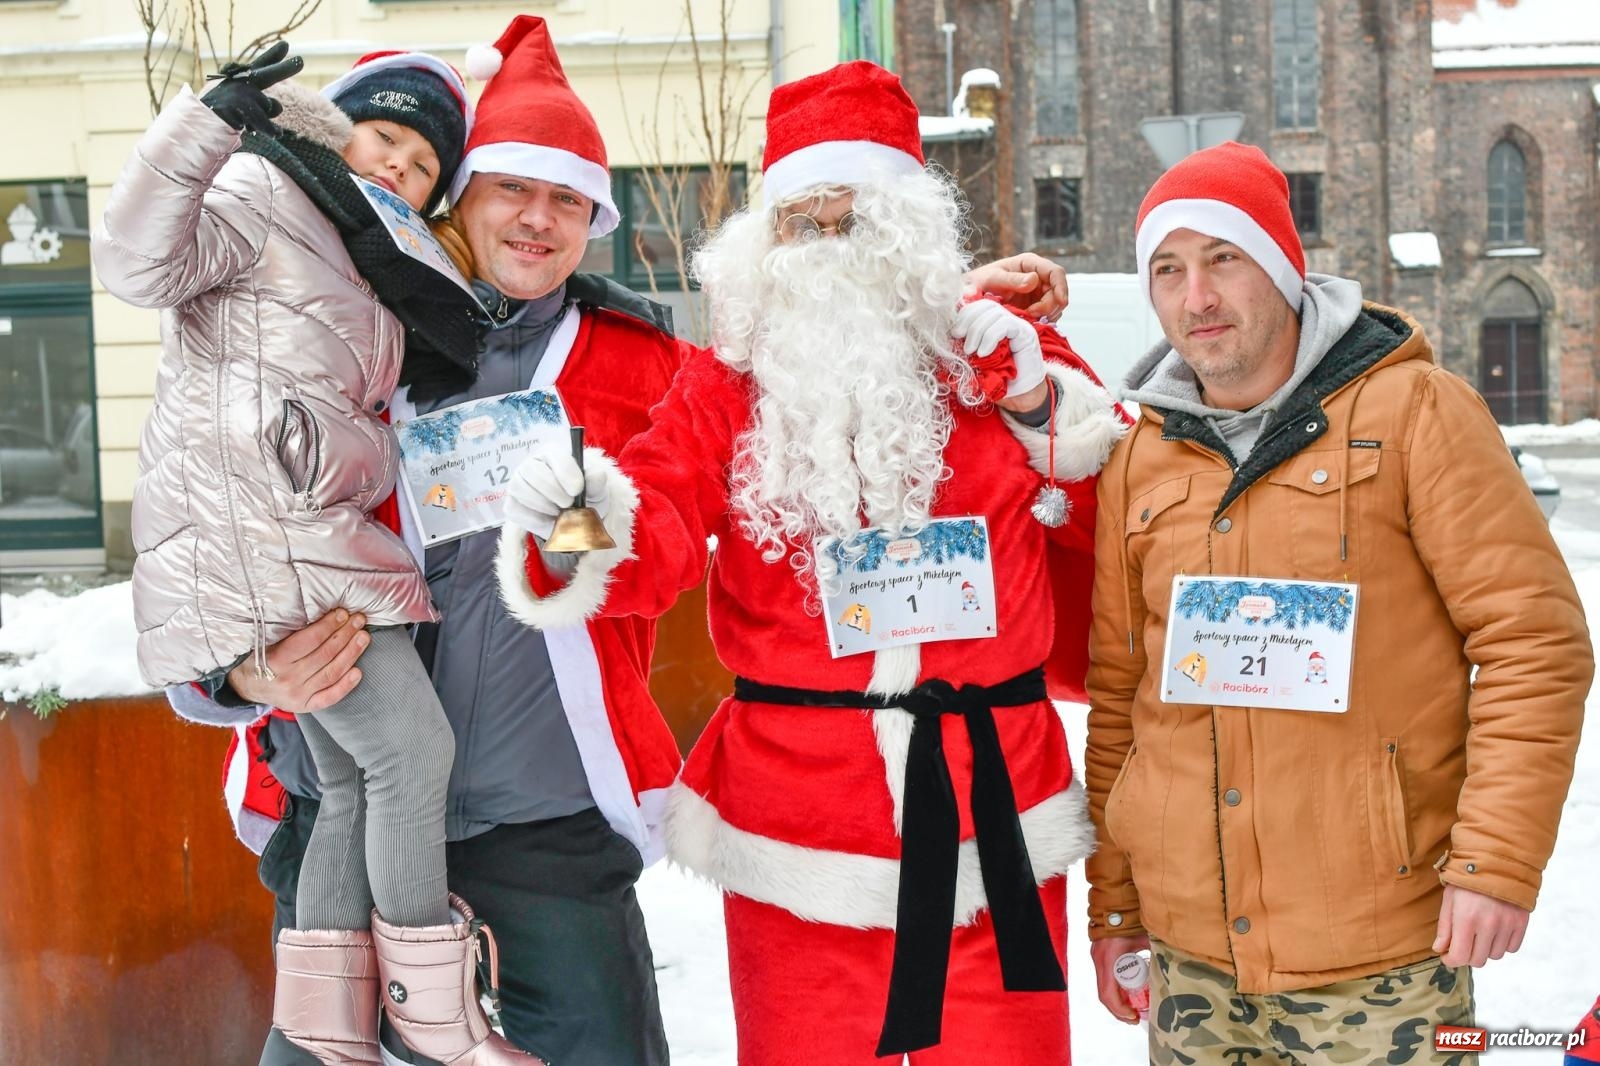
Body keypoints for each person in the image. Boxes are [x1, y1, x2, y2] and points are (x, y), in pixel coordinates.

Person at [163, 20, 1071, 1066]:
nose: (537, 220)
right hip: (345, 800)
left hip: (550, 816)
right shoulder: (328, 329)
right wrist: (231, 671)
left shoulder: (644, 364)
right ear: (457, 196)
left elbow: (822, 375)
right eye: (510, 187)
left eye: (566, 198)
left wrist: (971, 317)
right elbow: (209, 508)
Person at [498, 61, 1126, 1065]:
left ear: (907, 233)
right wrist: (566, 525)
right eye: (806, 224)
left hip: (991, 809)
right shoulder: (726, 386)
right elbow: (646, 526)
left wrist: (1039, 406)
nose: (830, 248)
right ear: (767, 241)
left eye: (856, 221)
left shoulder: (1004, 355)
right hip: (796, 833)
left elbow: (1125, 519)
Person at [1082, 141, 1592, 1064]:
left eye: (1223, 259)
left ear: (1281, 266)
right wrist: (1115, 902)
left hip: (1383, 958)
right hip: (1193, 968)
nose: (1196, 297)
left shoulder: (1414, 414)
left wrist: (1497, 864)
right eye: (1169, 268)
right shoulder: (1141, 458)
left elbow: (1533, 641)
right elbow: (1123, 697)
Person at [91, 44, 547, 1066]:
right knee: (412, 754)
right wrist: (205, 122)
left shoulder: (365, 254)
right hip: (266, 533)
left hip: (312, 533)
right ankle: (435, 1017)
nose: (395, 167)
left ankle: (329, 1031)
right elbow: (134, 262)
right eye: (380, 137)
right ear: (329, 129)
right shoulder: (262, 190)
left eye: (423, 164)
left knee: (348, 785)